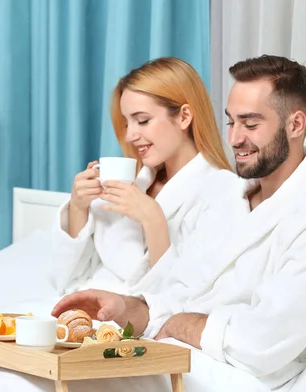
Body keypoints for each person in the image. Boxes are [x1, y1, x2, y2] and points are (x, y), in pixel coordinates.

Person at [52, 55, 306, 392]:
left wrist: (177, 324)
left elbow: (260, 343)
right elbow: (175, 290)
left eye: (250, 124)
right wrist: (126, 308)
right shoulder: (231, 200)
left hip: (232, 380)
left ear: (295, 125)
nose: (235, 139)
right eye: (231, 123)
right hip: (170, 356)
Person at [49, 57, 244, 295]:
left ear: (184, 117)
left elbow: (187, 296)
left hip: (137, 324)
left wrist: (153, 221)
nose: (130, 135)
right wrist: (79, 208)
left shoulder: (222, 191)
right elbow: (67, 279)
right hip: (81, 313)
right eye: (127, 123)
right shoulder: (134, 184)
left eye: (142, 120)